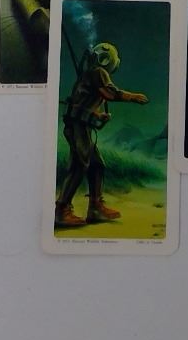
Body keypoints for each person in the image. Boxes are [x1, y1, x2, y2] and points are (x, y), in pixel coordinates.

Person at [54, 41, 148, 227]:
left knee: (96, 165)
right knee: (79, 165)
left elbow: (83, 103)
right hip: (78, 127)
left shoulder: (89, 75)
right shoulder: (98, 73)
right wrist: (133, 97)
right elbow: (110, 93)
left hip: (80, 126)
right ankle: (62, 210)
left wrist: (97, 116)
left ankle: (95, 208)